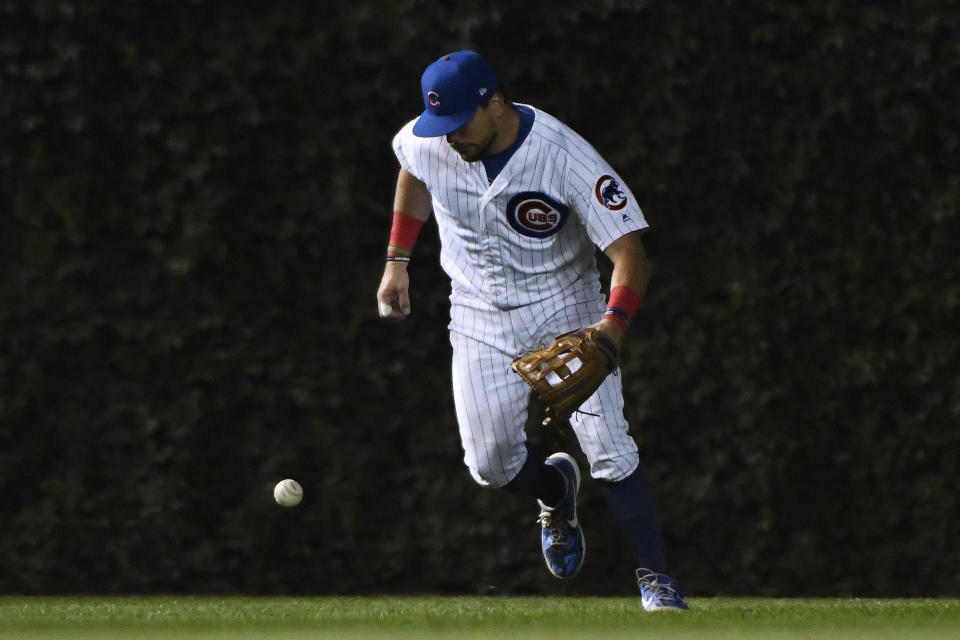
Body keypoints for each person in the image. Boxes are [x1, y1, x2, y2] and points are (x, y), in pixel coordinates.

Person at [375, 50, 688, 611]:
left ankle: (657, 581)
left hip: (564, 311)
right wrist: (397, 260)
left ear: (494, 103)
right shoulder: (429, 140)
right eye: (439, 125)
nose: (449, 138)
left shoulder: (563, 156)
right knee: (489, 465)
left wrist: (611, 331)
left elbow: (629, 254)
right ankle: (554, 491)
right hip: (477, 313)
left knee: (610, 450)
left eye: (460, 123)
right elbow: (414, 170)